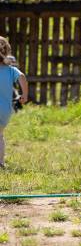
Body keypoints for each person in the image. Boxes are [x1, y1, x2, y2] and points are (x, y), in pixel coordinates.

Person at [0, 37, 28, 169]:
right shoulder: (11, 70)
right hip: (5, 110)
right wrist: (25, 95)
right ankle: (0, 163)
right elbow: (22, 77)